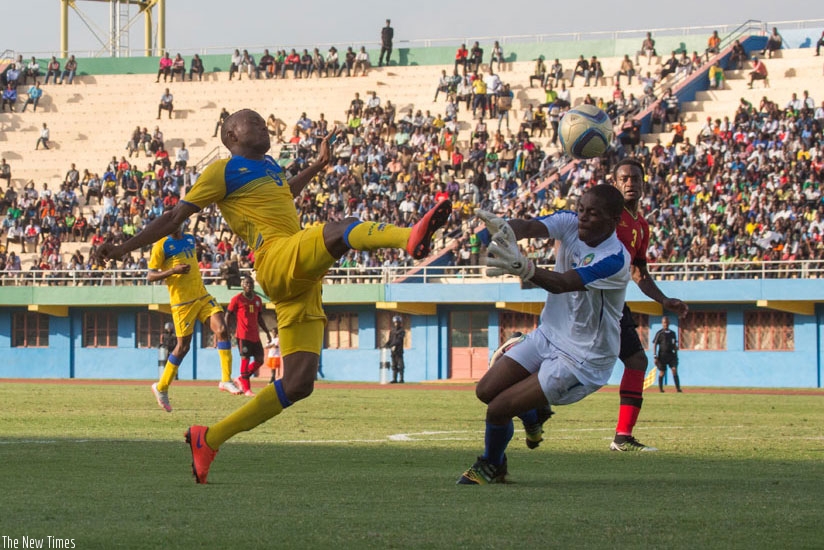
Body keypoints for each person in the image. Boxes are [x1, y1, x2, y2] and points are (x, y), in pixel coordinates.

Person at [95, 108, 452, 483]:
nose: (264, 126)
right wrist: (123, 248)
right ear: (231, 136)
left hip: (300, 282)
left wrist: (316, 166)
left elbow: (286, 192)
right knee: (340, 229)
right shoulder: (221, 171)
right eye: (254, 122)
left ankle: (209, 439)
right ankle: (407, 237)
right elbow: (174, 218)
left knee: (299, 383)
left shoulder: (268, 167)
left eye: (264, 122)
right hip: (276, 259)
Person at [457, 186, 631, 484]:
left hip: (583, 358)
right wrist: (503, 227)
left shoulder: (615, 259)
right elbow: (527, 227)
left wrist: (524, 268)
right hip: (549, 335)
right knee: (485, 391)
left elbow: (564, 283)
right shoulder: (570, 222)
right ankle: (533, 414)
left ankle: (492, 464)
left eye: (593, 213)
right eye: (581, 209)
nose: (583, 218)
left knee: (499, 409)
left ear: (614, 219)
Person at [147, 222, 242, 413]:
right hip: (182, 303)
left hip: (202, 296)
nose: (175, 225)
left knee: (222, 330)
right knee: (182, 347)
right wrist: (173, 271)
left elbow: (194, 256)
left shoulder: (190, 239)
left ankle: (226, 379)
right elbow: (150, 276)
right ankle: (161, 387)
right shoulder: (162, 246)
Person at [228, 275, 273, 397]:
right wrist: (226, 331)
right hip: (243, 335)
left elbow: (259, 318)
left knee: (260, 360)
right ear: (242, 285)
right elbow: (228, 314)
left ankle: (240, 378)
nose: (248, 285)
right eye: (246, 283)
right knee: (245, 360)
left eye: (250, 283)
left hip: (255, 335)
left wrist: (267, 333)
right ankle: (247, 389)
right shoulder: (237, 299)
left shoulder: (258, 300)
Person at [653, 317, 681, 393]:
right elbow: (655, 344)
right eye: (664, 322)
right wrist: (655, 356)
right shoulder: (660, 333)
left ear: (669, 323)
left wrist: (676, 349)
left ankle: (678, 389)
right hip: (662, 355)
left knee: (674, 370)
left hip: (671, 355)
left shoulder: (673, 333)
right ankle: (661, 389)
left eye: (667, 322)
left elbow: (674, 344)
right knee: (662, 372)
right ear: (662, 323)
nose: (665, 324)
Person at [384, 315, 406, 383]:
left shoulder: (402, 331)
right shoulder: (392, 331)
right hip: (393, 351)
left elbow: (399, 340)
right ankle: (394, 379)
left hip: (399, 351)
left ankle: (401, 379)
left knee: (401, 365)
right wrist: (385, 345)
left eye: (397, 322)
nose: (396, 324)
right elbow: (390, 340)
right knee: (394, 365)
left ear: (400, 323)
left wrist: (391, 345)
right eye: (395, 322)